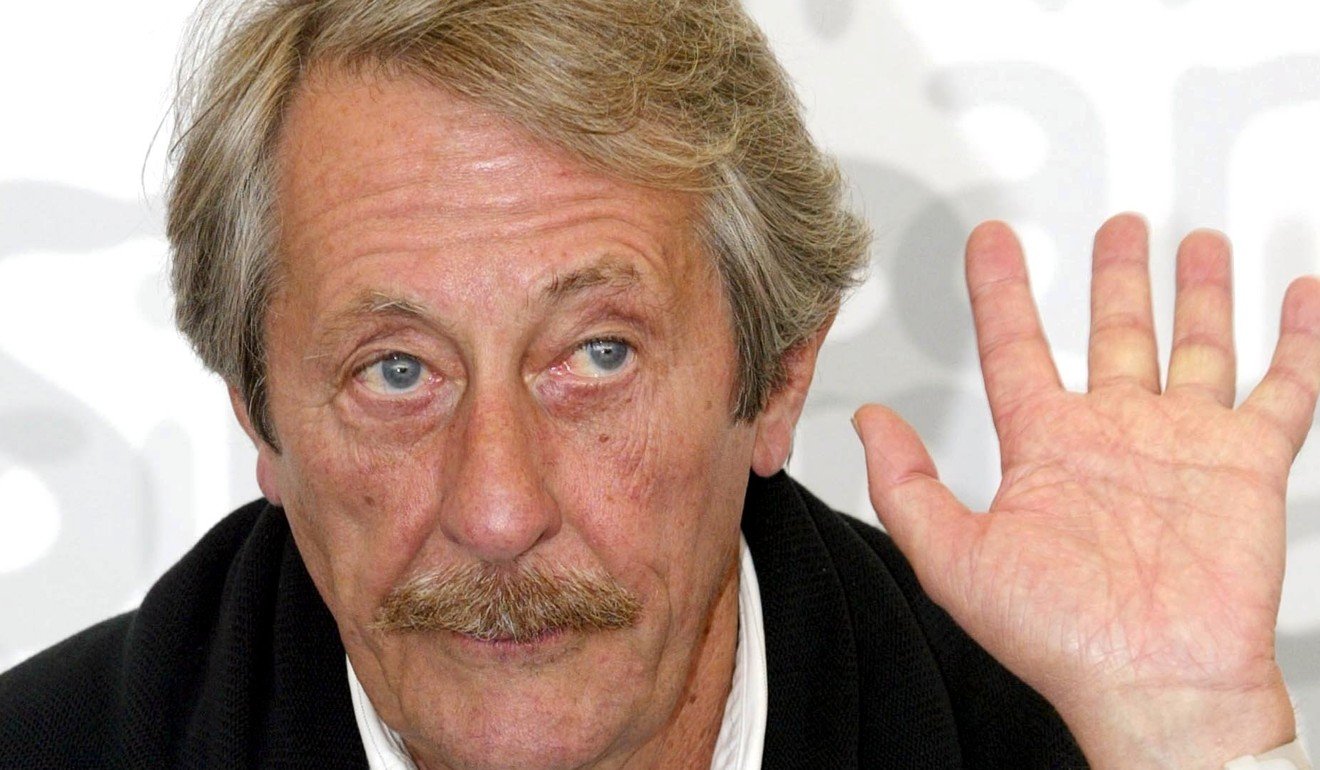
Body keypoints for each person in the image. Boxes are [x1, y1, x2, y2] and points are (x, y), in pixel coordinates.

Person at [1, 1, 1316, 768]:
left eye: (598, 355)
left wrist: (1189, 740)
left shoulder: (1062, 745)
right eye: (396, 371)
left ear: (775, 379)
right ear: (263, 423)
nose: (499, 507)